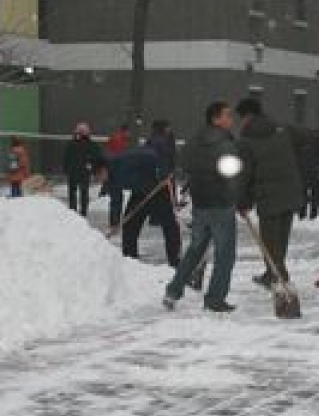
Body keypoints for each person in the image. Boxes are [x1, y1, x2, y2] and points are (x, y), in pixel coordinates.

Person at [164, 102, 240, 313]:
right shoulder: (225, 144)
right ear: (216, 119)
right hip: (221, 205)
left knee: (195, 250)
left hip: (201, 204)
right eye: (227, 115)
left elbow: (184, 165)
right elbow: (231, 175)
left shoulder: (194, 142)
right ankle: (215, 299)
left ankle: (173, 291)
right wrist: (238, 198)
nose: (231, 119)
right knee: (225, 255)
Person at [234, 98, 304, 289]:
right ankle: (275, 271)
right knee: (281, 237)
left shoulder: (246, 140)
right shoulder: (283, 129)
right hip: (290, 190)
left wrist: (242, 201)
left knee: (269, 238)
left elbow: (244, 173)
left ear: (247, 115)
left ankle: (277, 275)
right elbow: (307, 142)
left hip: (268, 194)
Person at [107, 142, 181, 267]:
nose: (98, 179)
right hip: (139, 193)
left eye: (98, 175)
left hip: (158, 189)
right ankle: (129, 260)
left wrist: (162, 172)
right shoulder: (111, 177)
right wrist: (115, 222)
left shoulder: (127, 160)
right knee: (130, 225)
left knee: (169, 226)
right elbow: (116, 199)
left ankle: (175, 261)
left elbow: (154, 157)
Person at [63, 122, 104, 217]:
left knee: (72, 192)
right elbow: (97, 158)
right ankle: (83, 212)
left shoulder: (71, 144)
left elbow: (66, 158)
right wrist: (94, 169)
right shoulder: (92, 145)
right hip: (85, 172)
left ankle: (73, 211)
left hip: (73, 171)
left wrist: (66, 169)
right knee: (84, 192)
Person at [297, 128, 319, 221]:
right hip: (313, 173)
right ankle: (313, 214)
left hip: (304, 173)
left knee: (303, 194)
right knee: (314, 194)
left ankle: (302, 214)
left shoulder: (303, 144)